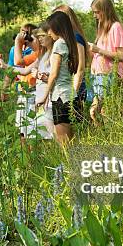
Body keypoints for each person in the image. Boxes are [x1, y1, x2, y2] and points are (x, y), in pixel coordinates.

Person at [0, 23, 54, 139]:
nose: (27, 43)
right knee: (26, 131)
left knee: (45, 133)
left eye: (30, 40)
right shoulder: (40, 57)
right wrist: (5, 66)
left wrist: (18, 41)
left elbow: (19, 62)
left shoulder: (47, 54)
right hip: (37, 97)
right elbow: (24, 71)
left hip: (44, 98)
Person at [36, 11, 79, 145]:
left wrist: (44, 96)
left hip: (60, 97)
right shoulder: (68, 43)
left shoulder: (59, 44)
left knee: (63, 143)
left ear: (57, 27)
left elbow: (54, 73)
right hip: (70, 94)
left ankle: (67, 166)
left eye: (50, 29)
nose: (48, 33)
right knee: (71, 141)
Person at [88, 0, 123, 125]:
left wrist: (98, 50)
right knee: (96, 112)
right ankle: (102, 137)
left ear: (105, 11)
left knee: (102, 111)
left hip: (110, 75)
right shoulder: (101, 28)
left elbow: (121, 56)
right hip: (98, 76)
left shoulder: (116, 27)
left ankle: (108, 136)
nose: (95, 15)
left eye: (97, 12)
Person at [52, 5, 87, 122]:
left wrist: (73, 95)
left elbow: (80, 68)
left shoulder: (75, 37)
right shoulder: (65, 39)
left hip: (73, 90)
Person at [11, 23, 39, 138]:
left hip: (33, 92)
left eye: (25, 33)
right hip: (23, 92)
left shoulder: (38, 53)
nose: (22, 36)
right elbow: (17, 68)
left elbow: (19, 63)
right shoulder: (17, 50)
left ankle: (33, 153)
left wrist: (18, 42)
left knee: (32, 128)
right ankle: (26, 155)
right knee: (22, 130)